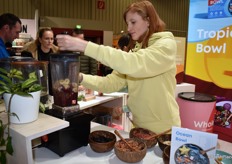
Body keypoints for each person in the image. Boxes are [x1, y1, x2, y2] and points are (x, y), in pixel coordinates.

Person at [56, 0, 181, 134]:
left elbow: (135, 63)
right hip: (138, 128)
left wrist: (84, 46)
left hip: (164, 130)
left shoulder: (166, 45)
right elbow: (110, 83)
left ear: (148, 20)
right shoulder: (135, 52)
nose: (128, 28)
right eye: (127, 23)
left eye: (133, 22)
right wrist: (80, 77)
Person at [22, 27, 59, 95]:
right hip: (36, 87)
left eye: (51, 38)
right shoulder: (31, 52)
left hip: (53, 88)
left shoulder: (56, 53)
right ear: (40, 40)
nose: (50, 41)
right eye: (47, 38)